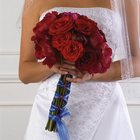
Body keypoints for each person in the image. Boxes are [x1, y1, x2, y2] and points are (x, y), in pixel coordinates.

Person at [19, 0, 140, 139]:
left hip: (104, 108)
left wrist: (93, 74)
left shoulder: (126, 1)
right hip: (50, 108)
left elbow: (137, 63)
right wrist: (52, 65)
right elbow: (24, 72)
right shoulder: (35, 2)